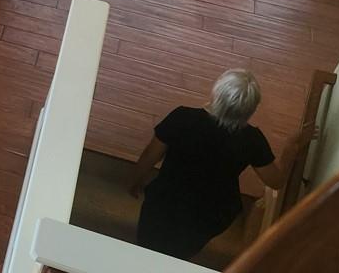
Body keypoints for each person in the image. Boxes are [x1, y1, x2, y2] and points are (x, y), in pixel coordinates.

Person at [127, 69, 314, 259]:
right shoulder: (252, 140)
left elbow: (150, 155)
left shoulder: (182, 118)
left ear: (217, 93)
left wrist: (135, 181)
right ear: (251, 108)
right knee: (180, 252)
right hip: (211, 213)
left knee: (147, 245)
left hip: (165, 201)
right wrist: (290, 150)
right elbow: (276, 181)